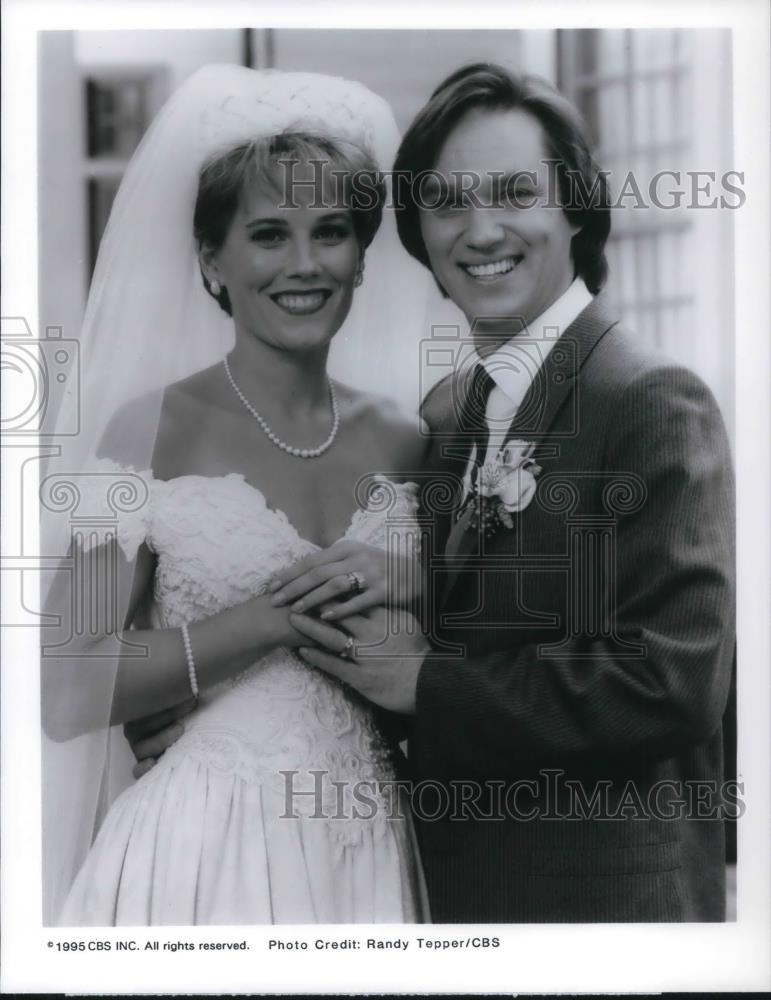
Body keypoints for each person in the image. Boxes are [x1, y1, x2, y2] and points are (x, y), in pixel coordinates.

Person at [282, 64, 736, 922]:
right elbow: (457, 624)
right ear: (419, 233)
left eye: (514, 192)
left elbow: (671, 680)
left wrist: (428, 683)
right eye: (447, 202)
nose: (480, 229)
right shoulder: (446, 412)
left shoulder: (649, 399)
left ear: (574, 208)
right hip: (449, 897)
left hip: (601, 909)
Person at [41, 65, 432, 926]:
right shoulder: (143, 432)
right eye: (268, 234)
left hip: (368, 845)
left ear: (361, 256)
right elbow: (65, 686)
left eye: (330, 232)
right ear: (212, 259)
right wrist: (267, 621)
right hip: (201, 849)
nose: (304, 264)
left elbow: (438, 667)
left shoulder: (409, 442)